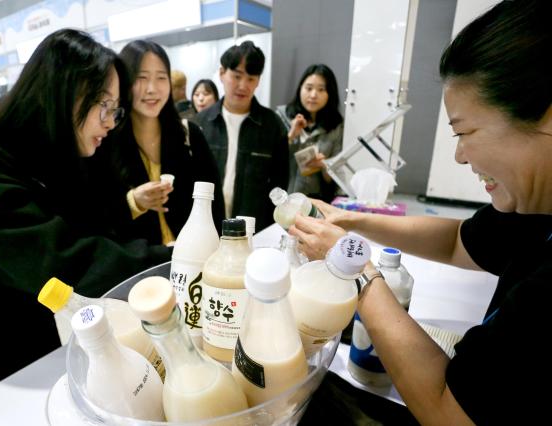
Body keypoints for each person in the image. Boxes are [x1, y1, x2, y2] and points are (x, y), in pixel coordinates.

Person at [290, 1, 551, 423]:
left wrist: (357, 270)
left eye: (465, 132)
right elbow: (456, 241)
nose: (460, 156)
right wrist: (352, 220)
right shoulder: (537, 211)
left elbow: (449, 410)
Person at [0, 29, 170, 423]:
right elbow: (65, 260)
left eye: (115, 110)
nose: (110, 122)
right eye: (103, 105)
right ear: (59, 94)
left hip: (45, 359)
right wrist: (172, 265)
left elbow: (98, 227)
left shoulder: (62, 163)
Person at [98, 40, 224, 246]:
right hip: (142, 268)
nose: (152, 89)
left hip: (192, 259)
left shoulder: (188, 135)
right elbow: (99, 217)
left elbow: (214, 204)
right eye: (141, 78)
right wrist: (133, 202)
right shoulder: (106, 140)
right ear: (122, 82)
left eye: (161, 78)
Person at [194, 41, 289, 232]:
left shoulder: (272, 125)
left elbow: (280, 184)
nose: (243, 85)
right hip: (205, 227)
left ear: (259, 80)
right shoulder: (200, 123)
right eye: (236, 76)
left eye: (251, 79)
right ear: (222, 73)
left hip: (253, 231)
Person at [276, 64, 344, 200]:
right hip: (280, 199)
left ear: (330, 94)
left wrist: (324, 166)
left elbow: (337, 177)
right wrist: (290, 136)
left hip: (314, 201)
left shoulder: (335, 126)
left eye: (321, 90)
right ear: (300, 88)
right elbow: (269, 160)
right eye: (309, 88)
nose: (313, 95)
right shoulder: (281, 116)